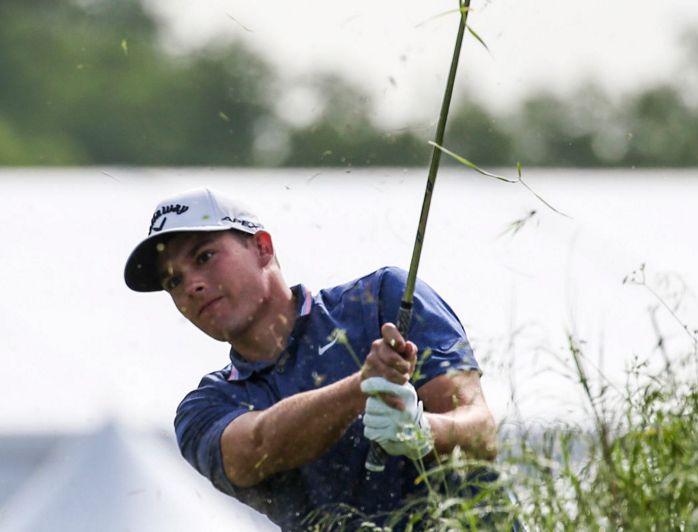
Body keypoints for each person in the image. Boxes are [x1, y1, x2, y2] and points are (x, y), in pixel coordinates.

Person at [123, 187, 498, 530]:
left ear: (262, 248)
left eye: (204, 257)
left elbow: (481, 433)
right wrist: (362, 386)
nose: (191, 286)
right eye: (173, 282)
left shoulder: (380, 299)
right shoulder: (203, 408)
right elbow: (253, 449)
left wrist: (421, 433)